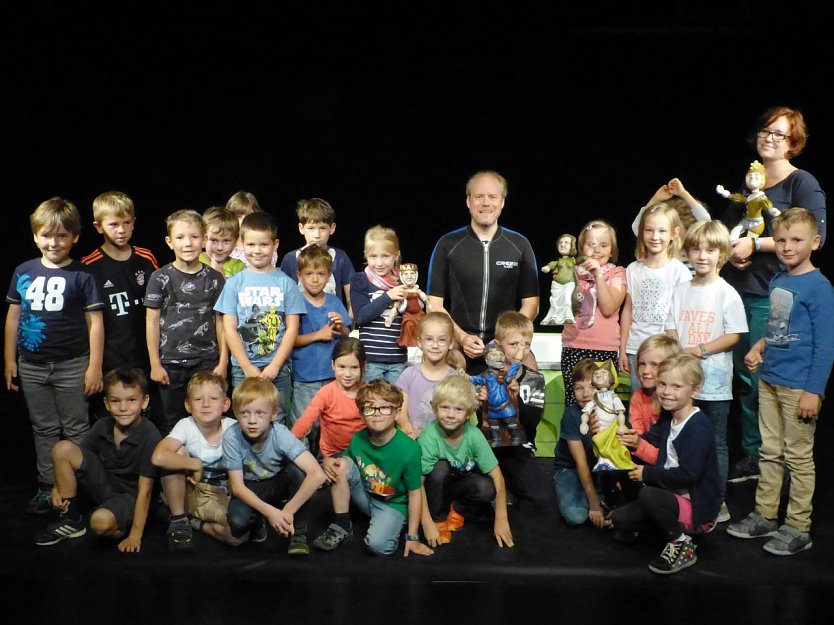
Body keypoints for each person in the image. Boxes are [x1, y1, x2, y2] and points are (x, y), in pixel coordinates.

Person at [719, 107, 826, 483]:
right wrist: (733, 251)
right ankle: (754, 455)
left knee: (768, 378)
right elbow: (729, 231)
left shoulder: (802, 183)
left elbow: (817, 236)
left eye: (780, 134)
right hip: (739, 291)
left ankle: (775, 459)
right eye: (766, 130)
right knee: (745, 378)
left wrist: (756, 245)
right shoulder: (750, 184)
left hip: (775, 294)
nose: (770, 138)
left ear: (793, 143)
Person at [727, 208, 834, 555]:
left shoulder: (819, 287)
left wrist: (813, 390)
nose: (787, 247)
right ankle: (765, 515)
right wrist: (759, 347)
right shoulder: (778, 281)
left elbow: (825, 345)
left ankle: (798, 526)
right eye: (783, 240)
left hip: (798, 387)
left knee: (798, 457)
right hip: (770, 379)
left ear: (814, 242)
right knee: (769, 452)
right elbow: (776, 327)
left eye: (796, 240)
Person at [5, 197, 105, 513]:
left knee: (76, 427)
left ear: (74, 237)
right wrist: (9, 359)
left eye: (62, 236)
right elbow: (12, 317)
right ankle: (48, 486)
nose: (54, 242)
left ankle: (76, 488)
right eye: (47, 235)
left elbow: (95, 324)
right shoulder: (24, 270)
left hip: (72, 364)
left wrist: (95, 367)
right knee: (43, 428)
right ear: (35, 235)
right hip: (32, 365)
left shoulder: (82, 275)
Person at [665, 220, 748, 522]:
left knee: (715, 441)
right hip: (682, 382)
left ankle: (717, 499)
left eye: (710, 250)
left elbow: (734, 334)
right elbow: (671, 323)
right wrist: (678, 350)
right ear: (687, 252)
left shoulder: (726, 293)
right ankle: (683, 494)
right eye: (696, 249)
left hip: (713, 382)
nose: (702, 256)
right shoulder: (680, 289)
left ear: (722, 254)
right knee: (681, 437)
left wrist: (697, 350)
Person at [609, 354, 721, 575]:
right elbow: (649, 440)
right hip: (670, 497)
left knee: (648, 495)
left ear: (694, 391)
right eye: (662, 384)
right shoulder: (668, 417)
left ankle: (682, 543)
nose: (667, 392)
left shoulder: (698, 426)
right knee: (620, 520)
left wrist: (648, 474)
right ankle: (663, 527)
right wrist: (632, 440)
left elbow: (689, 475)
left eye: (676, 386)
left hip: (695, 507)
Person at [33, 368, 162, 552]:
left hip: (130, 497)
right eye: (115, 401)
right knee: (62, 448)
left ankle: (119, 522)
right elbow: (78, 457)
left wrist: (135, 535)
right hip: (104, 486)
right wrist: (57, 487)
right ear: (107, 404)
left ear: (144, 401)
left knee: (99, 523)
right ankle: (71, 519)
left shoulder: (151, 436)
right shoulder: (103, 425)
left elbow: (145, 492)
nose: (123, 408)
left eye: (131, 400)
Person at [426, 170, 539, 372]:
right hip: (458, 349)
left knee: (523, 392)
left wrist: (501, 341)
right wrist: (461, 337)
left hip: (505, 350)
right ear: (468, 201)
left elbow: (531, 304)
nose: (486, 203)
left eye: (492, 197)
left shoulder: (519, 245)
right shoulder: (448, 244)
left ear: (502, 201)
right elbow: (434, 304)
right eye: (479, 196)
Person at [311, 380, 434, 557]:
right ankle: (342, 525)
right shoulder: (358, 439)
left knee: (378, 546)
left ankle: (389, 523)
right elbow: (346, 466)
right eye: (369, 408)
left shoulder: (410, 449)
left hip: (392, 504)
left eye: (384, 408)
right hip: (367, 495)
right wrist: (329, 461)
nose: (376, 414)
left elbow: (415, 493)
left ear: (396, 412)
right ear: (361, 414)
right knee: (340, 464)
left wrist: (412, 536)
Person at [214, 211, 306, 425]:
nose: (257, 251)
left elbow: (292, 329)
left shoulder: (286, 283)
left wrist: (275, 365)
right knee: (245, 418)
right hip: (242, 368)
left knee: (278, 419)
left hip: (278, 368)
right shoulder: (234, 283)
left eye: (264, 245)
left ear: (275, 245)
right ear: (241, 244)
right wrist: (246, 366)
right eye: (251, 245)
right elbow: (229, 328)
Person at [145, 209, 227, 435]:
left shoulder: (214, 278)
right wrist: (155, 363)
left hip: (206, 361)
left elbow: (221, 322)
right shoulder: (160, 278)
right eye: (180, 237)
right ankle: (177, 469)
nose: (187, 243)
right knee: (173, 422)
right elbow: (151, 322)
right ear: (169, 242)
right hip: (170, 364)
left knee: (209, 417)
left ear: (203, 240)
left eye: (194, 237)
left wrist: (222, 362)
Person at [222, 377, 326, 554]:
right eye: (244, 413)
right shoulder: (231, 436)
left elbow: (317, 474)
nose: (252, 420)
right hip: (251, 485)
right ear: (236, 413)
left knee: (298, 472)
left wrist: (287, 511)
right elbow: (237, 487)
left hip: (279, 482)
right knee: (237, 521)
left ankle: (298, 534)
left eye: (260, 413)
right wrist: (270, 512)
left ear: (273, 414)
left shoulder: (280, 434)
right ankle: (258, 521)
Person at [151, 371, 244, 552]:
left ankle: (193, 522)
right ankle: (179, 520)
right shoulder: (186, 425)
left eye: (213, 399)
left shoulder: (233, 428)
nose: (206, 405)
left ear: (225, 404)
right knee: (176, 451)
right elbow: (158, 456)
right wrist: (195, 464)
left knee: (237, 536)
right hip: (193, 489)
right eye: (198, 399)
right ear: (188, 405)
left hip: (221, 494)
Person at [419, 375, 513, 548]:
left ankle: (457, 509)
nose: (450, 415)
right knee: (439, 468)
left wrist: (501, 519)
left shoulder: (474, 436)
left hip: (460, 483)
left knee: (486, 487)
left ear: (469, 413)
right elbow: (417, 484)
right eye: (444, 407)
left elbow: (498, 477)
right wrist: (427, 522)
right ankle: (439, 517)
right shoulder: (429, 437)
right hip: (435, 487)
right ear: (434, 408)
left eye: (458, 409)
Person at [81, 190, 160, 375]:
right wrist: (95, 366)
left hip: (146, 355)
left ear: (134, 222)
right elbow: (90, 320)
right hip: (111, 358)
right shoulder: (89, 265)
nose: (122, 230)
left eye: (127, 223)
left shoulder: (146, 258)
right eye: (114, 224)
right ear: (98, 226)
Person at [619, 202, 690, 391]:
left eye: (662, 231)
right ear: (642, 233)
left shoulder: (679, 272)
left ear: (674, 233)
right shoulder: (634, 269)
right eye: (649, 230)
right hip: (637, 350)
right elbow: (628, 310)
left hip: (666, 352)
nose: (655, 237)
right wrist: (623, 348)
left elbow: (682, 316)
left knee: (666, 404)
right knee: (639, 408)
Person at [560, 220, 627, 407]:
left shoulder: (617, 274)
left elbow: (608, 308)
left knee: (603, 406)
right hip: (574, 346)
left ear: (612, 250)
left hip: (604, 349)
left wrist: (598, 275)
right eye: (591, 244)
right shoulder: (571, 271)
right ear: (581, 248)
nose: (597, 250)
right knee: (575, 403)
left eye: (604, 245)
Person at [489, 312, 551, 507]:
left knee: (540, 496)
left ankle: (508, 481)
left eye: (526, 345)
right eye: (513, 344)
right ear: (498, 345)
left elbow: (531, 423)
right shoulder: (488, 377)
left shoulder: (535, 379)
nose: (520, 350)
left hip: (519, 446)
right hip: (491, 444)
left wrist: (514, 398)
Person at [289, 244, 351, 438]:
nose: (315, 279)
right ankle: (303, 467)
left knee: (330, 426)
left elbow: (347, 334)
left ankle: (327, 465)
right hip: (305, 378)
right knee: (304, 425)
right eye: (309, 274)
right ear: (299, 275)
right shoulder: (295, 302)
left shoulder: (333, 301)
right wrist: (318, 335)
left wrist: (341, 329)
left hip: (333, 377)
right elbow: (290, 340)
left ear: (329, 276)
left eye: (320, 274)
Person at [291, 337, 366, 467]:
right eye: (342, 367)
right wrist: (288, 444)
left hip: (362, 453)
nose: (347, 374)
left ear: (363, 367)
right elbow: (305, 422)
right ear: (333, 365)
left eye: (354, 368)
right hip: (331, 455)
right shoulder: (326, 393)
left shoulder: (367, 393)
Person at [350, 225, 409, 383]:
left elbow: (412, 314)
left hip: (397, 358)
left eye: (385, 256)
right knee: (372, 403)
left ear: (396, 255)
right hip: (371, 360)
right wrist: (388, 296)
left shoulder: (404, 281)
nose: (379, 262)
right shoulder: (360, 280)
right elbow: (361, 317)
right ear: (365, 255)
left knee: (396, 404)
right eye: (373, 256)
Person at [552, 358, 606, 527]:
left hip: (600, 469)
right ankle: (591, 497)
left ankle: (595, 495)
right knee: (576, 516)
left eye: (593, 387)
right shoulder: (571, 415)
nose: (586, 394)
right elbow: (580, 462)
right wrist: (595, 505)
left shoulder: (611, 413)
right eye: (579, 388)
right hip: (570, 468)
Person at [395, 311, 465, 438]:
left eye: (442, 340)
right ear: (420, 342)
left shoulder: (455, 379)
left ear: (450, 343)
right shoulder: (408, 375)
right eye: (429, 339)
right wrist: (410, 431)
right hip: (413, 440)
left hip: (444, 442)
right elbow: (400, 412)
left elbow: (460, 416)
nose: (435, 345)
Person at [280, 197, 355, 314]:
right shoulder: (290, 259)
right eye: (311, 228)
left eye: (322, 228)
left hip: (333, 323)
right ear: (301, 228)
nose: (317, 235)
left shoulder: (340, 257)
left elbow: (351, 295)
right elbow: (284, 296)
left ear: (332, 228)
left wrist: (350, 324)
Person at [618, 334, 682, 466]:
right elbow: (637, 435)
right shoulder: (638, 397)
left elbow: (671, 458)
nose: (646, 371)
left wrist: (638, 445)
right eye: (642, 364)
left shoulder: (676, 404)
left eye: (654, 365)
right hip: (645, 458)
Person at [225, 190, 276, 268]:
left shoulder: (266, 246)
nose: (243, 220)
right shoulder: (225, 245)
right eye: (238, 216)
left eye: (248, 215)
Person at [540, 233, 578, 326]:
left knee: (567, 300)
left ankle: (568, 316)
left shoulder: (574, 261)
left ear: (572, 246)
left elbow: (581, 261)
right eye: (560, 242)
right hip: (557, 284)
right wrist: (547, 268)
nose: (562, 244)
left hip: (569, 283)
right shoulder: (558, 261)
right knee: (554, 301)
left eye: (566, 242)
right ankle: (554, 318)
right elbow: (550, 265)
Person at [199, 205, 245, 277]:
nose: (219, 248)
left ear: (235, 241)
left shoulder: (238, 266)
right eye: (213, 240)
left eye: (226, 241)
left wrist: (221, 278)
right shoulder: (195, 261)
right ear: (203, 238)